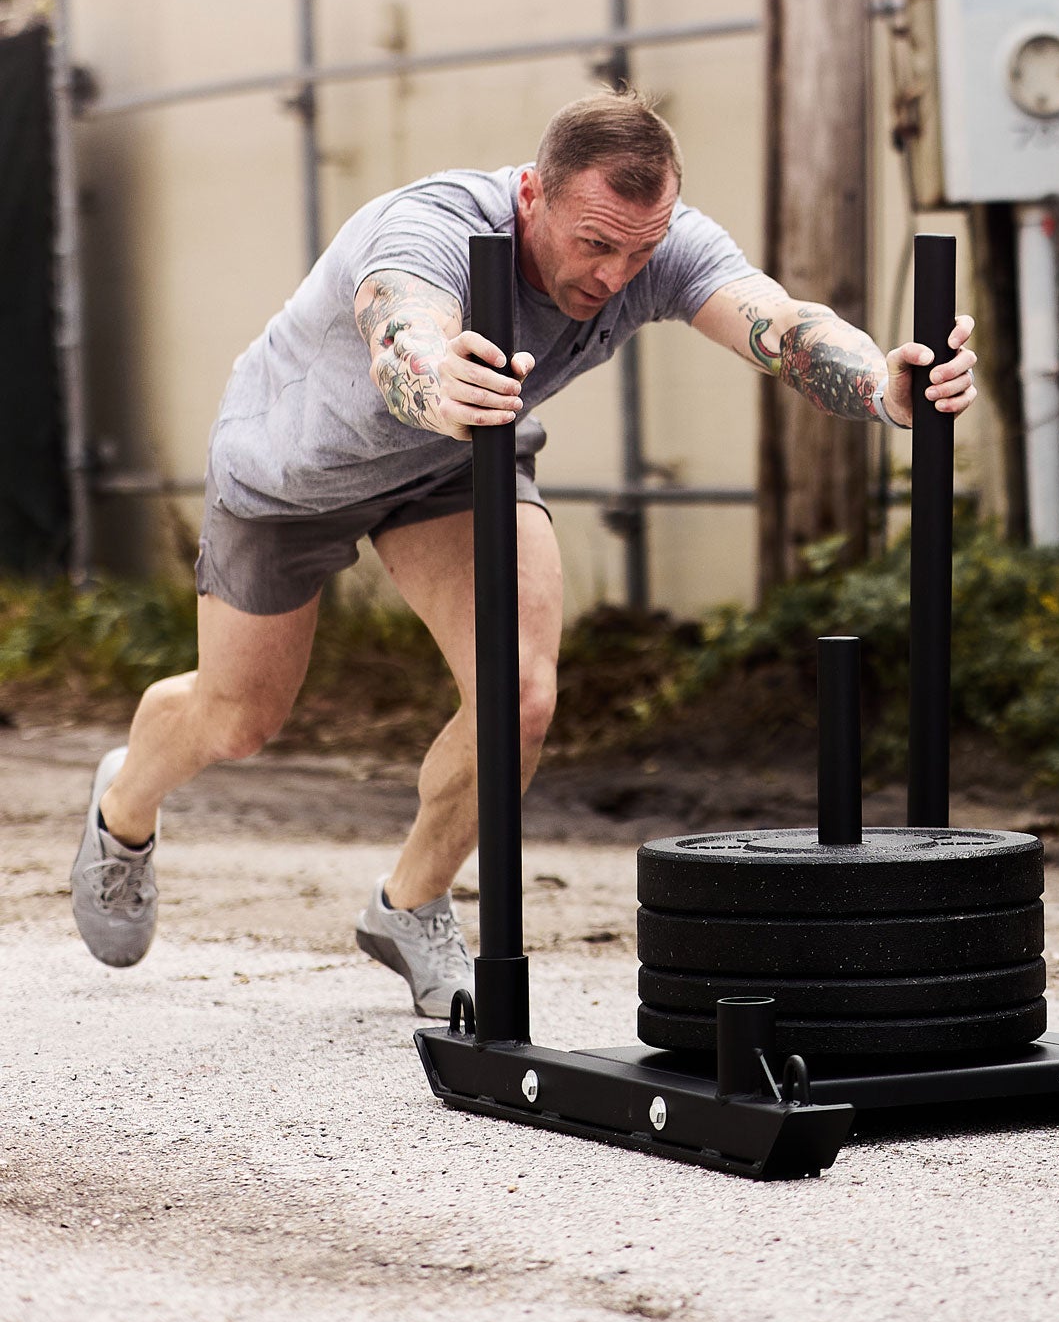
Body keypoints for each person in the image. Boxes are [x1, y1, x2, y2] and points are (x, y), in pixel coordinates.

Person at [70, 89, 978, 1014]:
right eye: (595, 245)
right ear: (534, 193)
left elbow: (778, 323)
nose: (616, 275)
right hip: (296, 470)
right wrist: (435, 380)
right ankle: (124, 810)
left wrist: (882, 383)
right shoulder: (429, 226)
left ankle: (411, 904)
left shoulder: (656, 245)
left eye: (640, 251)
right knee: (238, 721)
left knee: (522, 694)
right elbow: (400, 333)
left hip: (464, 457)